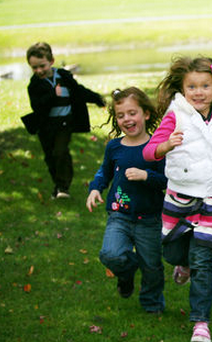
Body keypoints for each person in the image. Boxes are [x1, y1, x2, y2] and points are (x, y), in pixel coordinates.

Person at [143, 57, 212, 342]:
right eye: (192, 86)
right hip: (180, 198)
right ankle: (182, 264)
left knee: (204, 260)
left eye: (204, 86)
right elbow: (150, 152)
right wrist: (165, 145)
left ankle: (201, 322)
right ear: (183, 89)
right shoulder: (176, 115)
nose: (198, 92)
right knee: (173, 252)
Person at [86, 87, 166, 314]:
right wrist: (95, 189)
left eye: (132, 113)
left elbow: (168, 181)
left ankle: (152, 303)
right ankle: (127, 271)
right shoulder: (114, 147)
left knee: (152, 266)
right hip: (119, 214)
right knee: (110, 254)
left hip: (150, 218)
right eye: (121, 116)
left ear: (146, 114)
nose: (127, 119)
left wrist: (146, 176)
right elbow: (104, 172)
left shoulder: (157, 147)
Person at [23, 42, 105, 199]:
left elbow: (78, 91)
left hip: (64, 124)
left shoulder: (63, 76)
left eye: (42, 66)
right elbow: (38, 107)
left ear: (51, 61)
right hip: (46, 126)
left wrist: (96, 98)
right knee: (51, 158)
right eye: (34, 68)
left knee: (60, 152)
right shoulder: (34, 85)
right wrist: (53, 95)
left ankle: (63, 187)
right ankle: (58, 185)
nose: (39, 70)